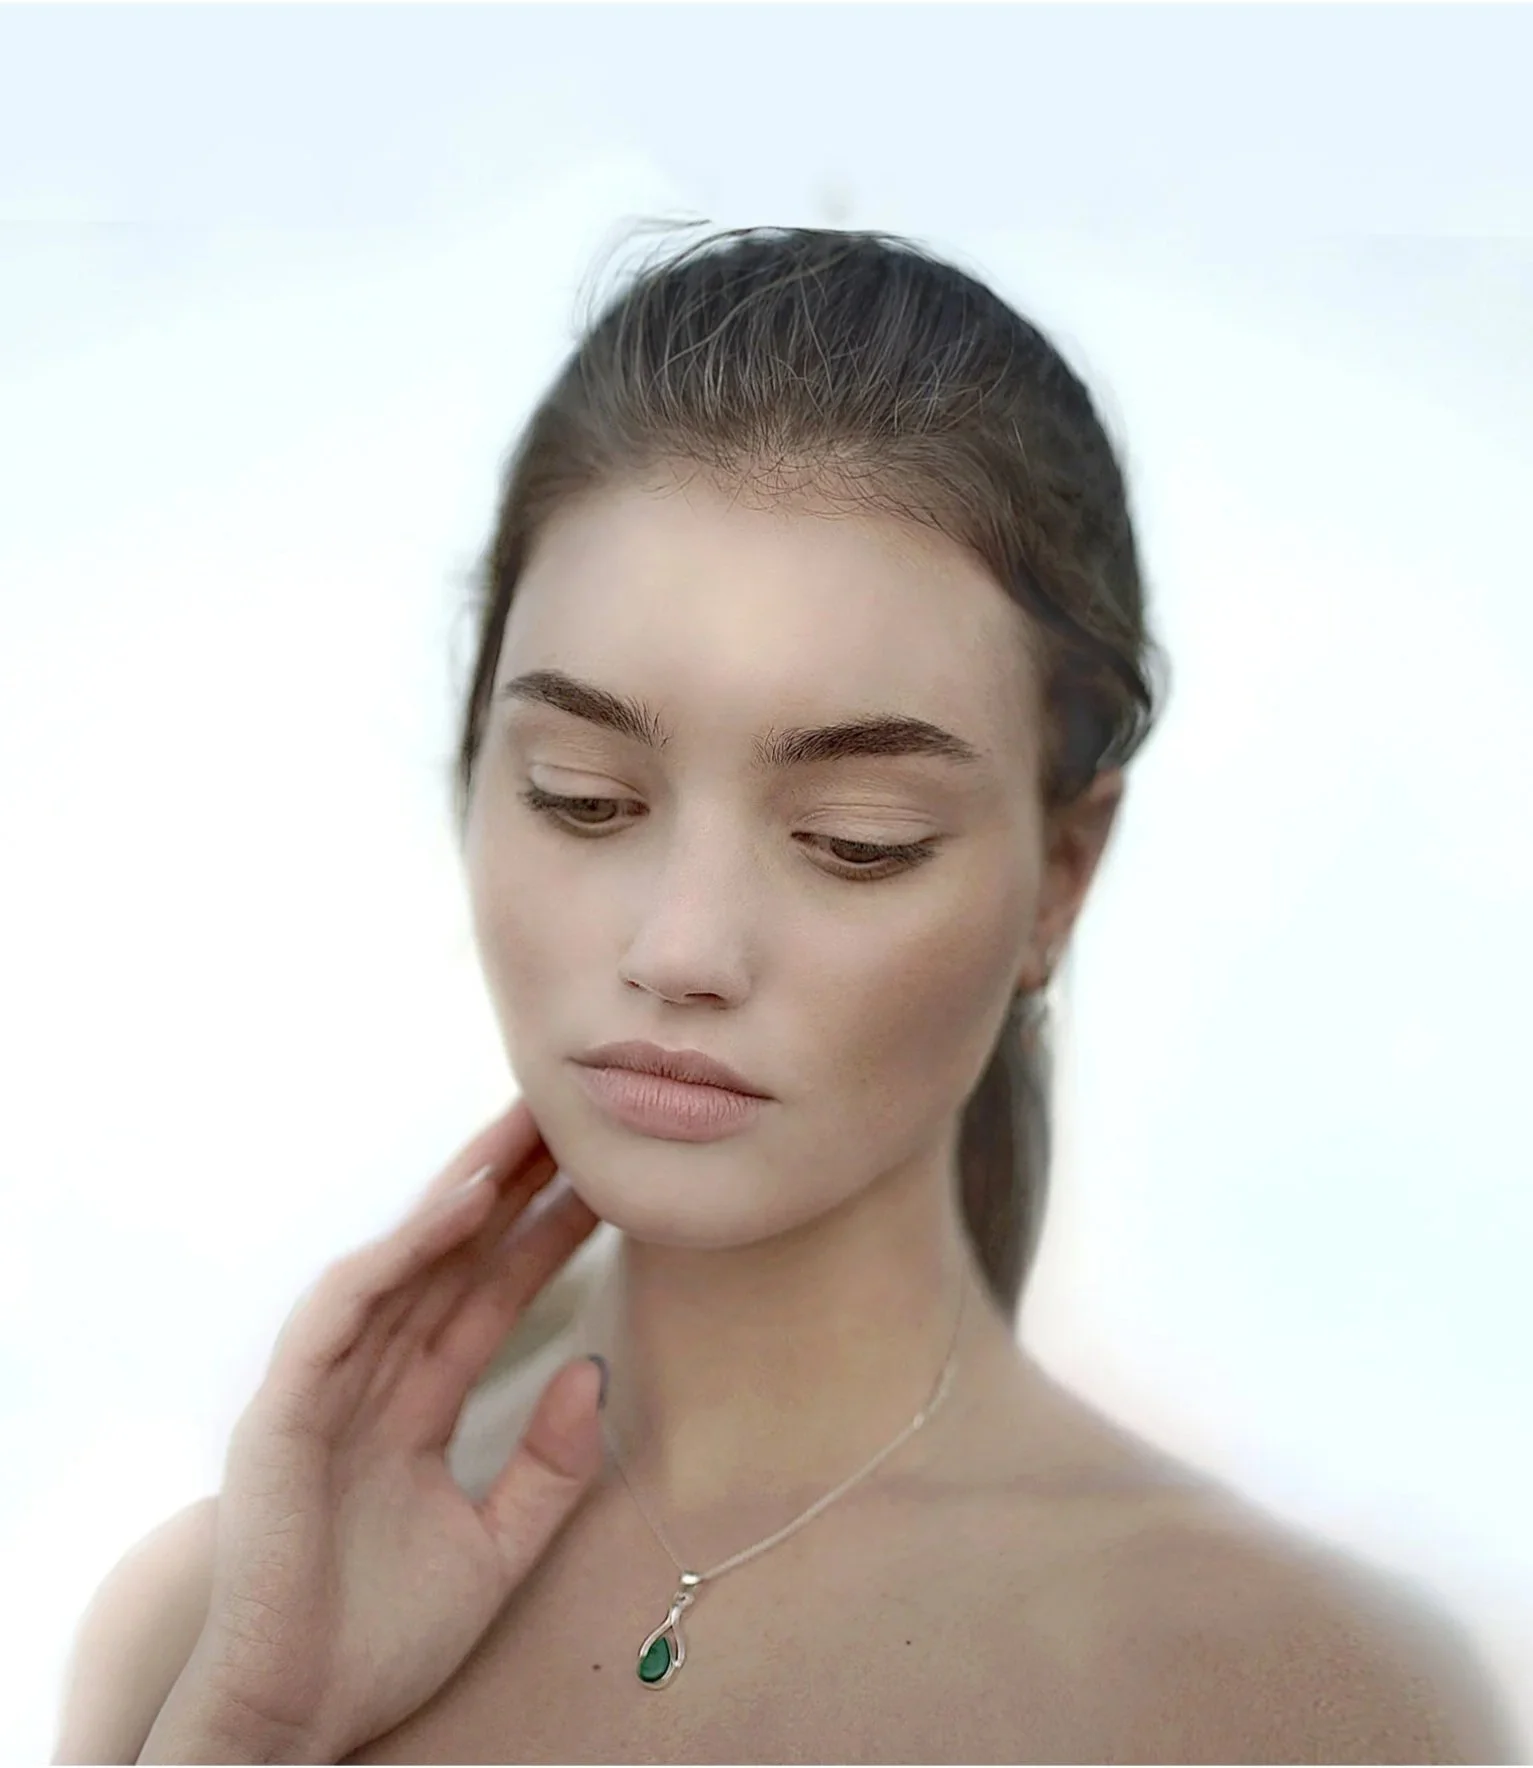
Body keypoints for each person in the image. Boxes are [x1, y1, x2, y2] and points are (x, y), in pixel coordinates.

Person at [54, 224, 1520, 1765]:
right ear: (474, 773)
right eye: (584, 799)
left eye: (852, 842)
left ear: (1062, 877)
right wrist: (252, 1733)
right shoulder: (212, 1629)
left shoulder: (1310, 1697)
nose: (684, 947)